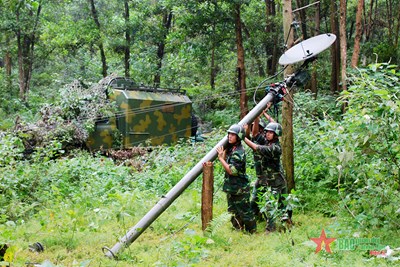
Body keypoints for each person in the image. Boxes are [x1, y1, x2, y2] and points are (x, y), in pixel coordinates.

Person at [243, 121, 288, 234]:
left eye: (270, 132)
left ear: (276, 135)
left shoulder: (275, 148)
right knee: (258, 200)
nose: (267, 134)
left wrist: (243, 137)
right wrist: (257, 117)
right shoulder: (267, 142)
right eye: (267, 132)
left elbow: (257, 148)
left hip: (277, 182)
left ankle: (271, 228)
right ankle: (254, 219)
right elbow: (256, 135)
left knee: (274, 205)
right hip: (267, 180)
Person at [216, 124, 256, 234]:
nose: (229, 136)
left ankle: (252, 231)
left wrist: (220, 159)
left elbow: (231, 171)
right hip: (231, 186)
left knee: (245, 211)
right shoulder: (231, 148)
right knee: (232, 210)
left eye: (233, 135)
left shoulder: (239, 152)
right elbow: (225, 161)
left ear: (238, 137)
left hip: (240, 187)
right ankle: (237, 228)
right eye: (229, 134)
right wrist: (222, 153)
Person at [248, 110, 275, 220]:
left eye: (259, 127)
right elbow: (251, 133)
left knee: (269, 200)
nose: (256, 129)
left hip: (268, 177)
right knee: (254, 200)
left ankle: (272, 221)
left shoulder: (265, 142)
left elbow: (275, 125)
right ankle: (257, 216)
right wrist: (261, 114)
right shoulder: (257, 140)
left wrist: (259, 115)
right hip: (260, 177)